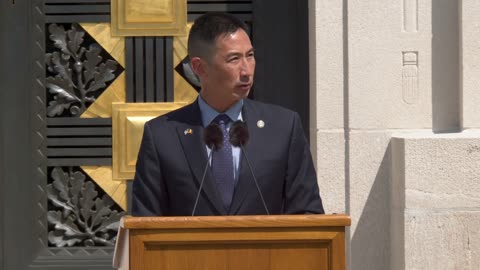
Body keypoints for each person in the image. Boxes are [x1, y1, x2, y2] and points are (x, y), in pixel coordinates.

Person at [131, 12, 324, 216]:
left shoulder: (283, 127)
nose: (246, 71)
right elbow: (145, 225)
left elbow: (308, 213)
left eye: (250, 56)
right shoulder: (162, 136)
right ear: (199, 67)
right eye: (233, 59)